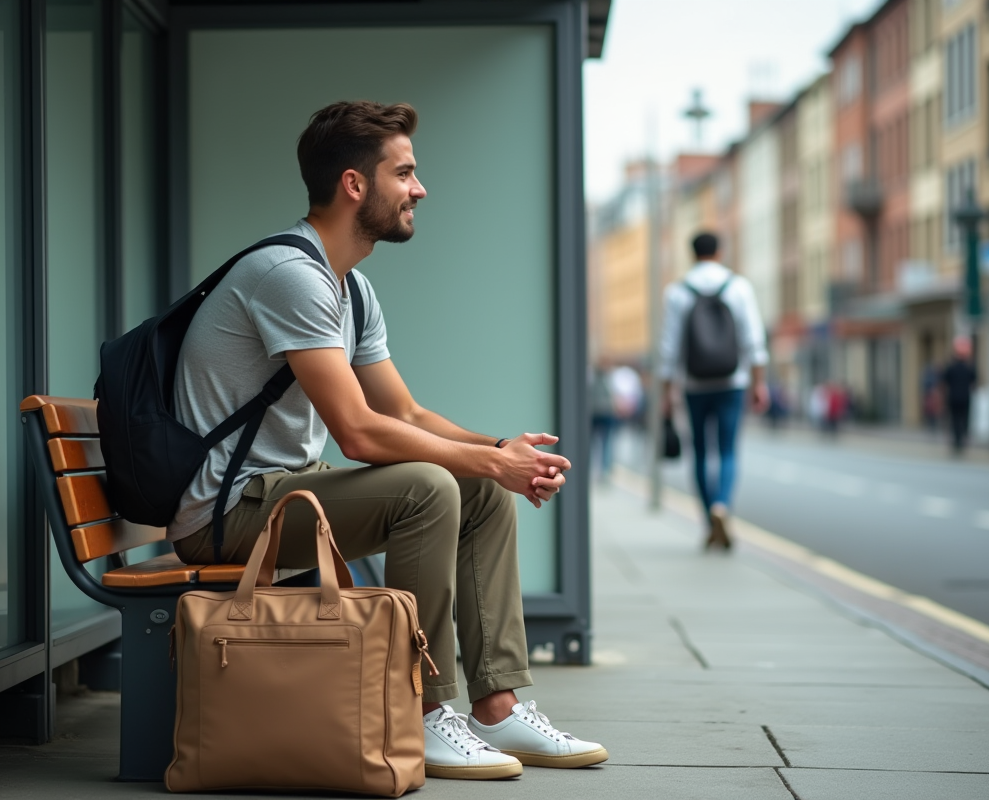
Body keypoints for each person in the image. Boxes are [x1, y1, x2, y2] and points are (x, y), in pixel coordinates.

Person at [168, 101, 606, 780]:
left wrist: (500, 454)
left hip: (283, 495)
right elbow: (361, 432)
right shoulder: (291, 276)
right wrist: (494, 460)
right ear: (354, 185)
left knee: (478, 490)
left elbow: (403, 410)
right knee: (428, 487)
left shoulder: (351, 289)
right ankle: (421, 713)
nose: (419, 188)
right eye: (404, 173)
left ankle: (497, 705)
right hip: (226, 512)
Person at [659, 231, 769, 550]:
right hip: (732, 382)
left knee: (701, 454)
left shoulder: (677, 292)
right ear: (720, 251)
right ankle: (722, 503)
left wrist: (668, 392)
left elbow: (669, 348)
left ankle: (709, 520)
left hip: (694, 384)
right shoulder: (738, 286)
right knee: (728, 450)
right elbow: (754, 339)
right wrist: (759, 382)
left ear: (691, 254)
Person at [940, 336, 978, 455]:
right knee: (964, 419)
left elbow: (944, 382)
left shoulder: (951, 367)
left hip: (953, 397)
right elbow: (974, 381)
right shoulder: (969, 367)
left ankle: (957, 440)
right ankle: (962, 438)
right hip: (965, 397)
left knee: (955, 419)